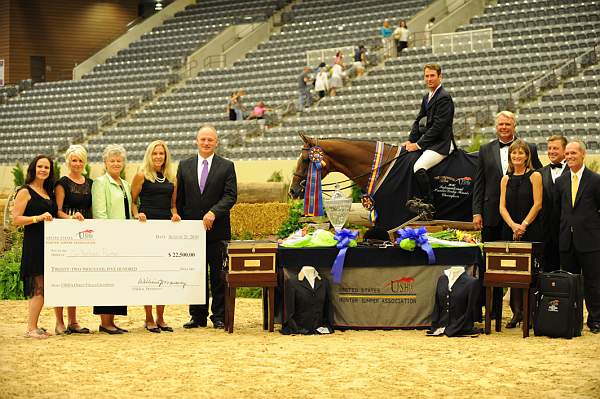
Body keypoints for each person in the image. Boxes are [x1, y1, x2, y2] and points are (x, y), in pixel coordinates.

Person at [472, 111, 542, 318]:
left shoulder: (530, 148)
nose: (504, 127)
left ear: (514, 125)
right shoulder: (485, 150)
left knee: (518, 264)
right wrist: (477, 212)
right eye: (500, 124)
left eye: (507, 124)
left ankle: (519, 312)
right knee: (492, 266)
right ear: (496, 126)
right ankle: (492, 311)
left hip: (521, 215)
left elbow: (538, 177)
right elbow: (479, 183)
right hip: (492, 215)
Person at [177, 126, 237, 329]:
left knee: (218, 275)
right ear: (196, 141)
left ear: (216, 142)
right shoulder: (184, 166)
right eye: (203, 139)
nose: (206, 143)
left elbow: (230, 196)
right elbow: (180, 199)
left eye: (210, 140)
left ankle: (219, 316)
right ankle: (197, 316)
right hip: (192, 233)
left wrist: (213, 212)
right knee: (195, 274)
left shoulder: (227, 166)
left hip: (218, 230)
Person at [131, 140, 181, 333]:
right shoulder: (141, 175)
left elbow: (172, 205)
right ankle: (149, 317)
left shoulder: (171, 177)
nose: (158, 156)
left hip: (165, 230)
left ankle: (161, 317)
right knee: (148, 274)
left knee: (164, 274)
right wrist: (136, 214)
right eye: (155, 153)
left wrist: (175, 215)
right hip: (146, 228)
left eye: (162, 153)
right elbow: (133, 202)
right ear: (149, 155)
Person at [554, 140, 600, 334]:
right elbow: (558, 211)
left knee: (593, 282)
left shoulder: (596, 180)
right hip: (567, 241)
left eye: (574, 153)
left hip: (590, 240)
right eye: (568, 153)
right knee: (570, 283)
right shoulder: (561, 181)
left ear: (583, 155)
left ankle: (596, 320)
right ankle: (573, 320)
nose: (570, 156)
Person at [499, 139, 543, 328]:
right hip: (511, 230)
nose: (517, 156)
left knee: (530, 273)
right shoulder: (505, 179)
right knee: (513, 272)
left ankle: (530, 314)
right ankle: (516, 312)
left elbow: (538, 203)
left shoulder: (535, 176)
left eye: (520, 153)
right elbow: (501, 207)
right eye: (513, 153)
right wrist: (513, 226)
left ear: (527, 156)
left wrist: (523, 225)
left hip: (531, 229)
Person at [12, 155, 57, 339]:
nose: (43, 170)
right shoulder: (25, 191)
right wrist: (37, 218)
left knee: (43, 286)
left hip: (50, 245)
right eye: (40, 166)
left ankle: (34, 325)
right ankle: (31, 328)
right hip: (34, 245)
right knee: (38, 287)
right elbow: (15, 219)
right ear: (34, 168)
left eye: (47, 167)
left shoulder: (48, 192)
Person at [91, 144, 132, 334]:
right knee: (107, 280)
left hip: (124, 239)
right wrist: (108, 238)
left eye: (119, 160)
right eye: (112, 160)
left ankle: (112, 321)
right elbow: (100, 214)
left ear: (123, 163)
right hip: (108, 239)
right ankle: (104, 322)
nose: (116, 163)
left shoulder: (125, 184)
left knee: (118, 280)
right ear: (105, 163)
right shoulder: (100, 183)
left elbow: (128, 212)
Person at [404, 63, 455, 212]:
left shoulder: (444, 97)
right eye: (426, 76)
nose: (429, 79)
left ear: (440, 77)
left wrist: (418, 145)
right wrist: (411, 140)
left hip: (441, 143)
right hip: (431, 142)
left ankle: (429, 204)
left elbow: (438, 127)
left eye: (432, 75)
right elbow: (419, 119)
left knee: (418, 167)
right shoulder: (427, 97)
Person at [53, 145, 92, 335]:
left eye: (80, 160)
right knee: (62, 278)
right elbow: (57, 211)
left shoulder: (90, 182)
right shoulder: (62, 183)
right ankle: (59, 323)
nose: (77, 164)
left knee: (76, 278)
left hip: (84, 234)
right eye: (74, 160)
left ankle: (73, 321)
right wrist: (71, 218)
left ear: (84, 162)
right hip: (65, 232)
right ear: (68, 161)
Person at [539, 135, 569, 272]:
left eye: (555, 148)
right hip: (546, 233)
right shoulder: (540, 173)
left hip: (568, 232)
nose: (551, 151)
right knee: (547, 272)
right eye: (549, 148)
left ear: (564, 150)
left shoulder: (574, 172)